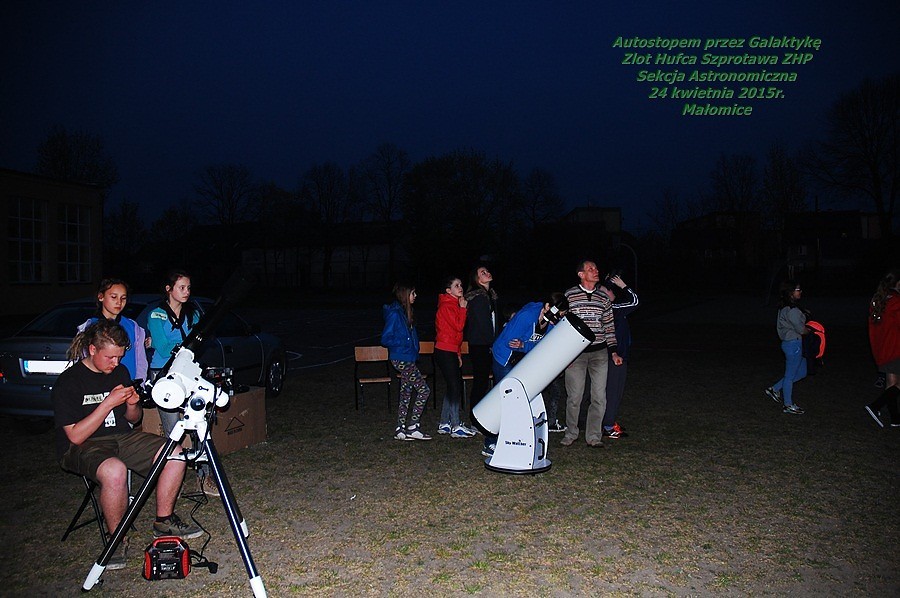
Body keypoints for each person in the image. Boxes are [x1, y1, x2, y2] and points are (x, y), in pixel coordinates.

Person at [53, 320, 202, 570]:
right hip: (83, 445)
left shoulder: (120, 372)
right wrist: (107, 404)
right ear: (92, 349)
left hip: (122, 437)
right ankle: (116, 539)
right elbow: (75, 436)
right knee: (115, 470)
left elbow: (133, 419)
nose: (115, 363)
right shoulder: (69, 382)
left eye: (120, 357)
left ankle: (163, 521)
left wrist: (132, 404)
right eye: (110, 357)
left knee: (174, 453)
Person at [142, 270, 214, 494]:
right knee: (173, 429)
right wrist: (184, 345)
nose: (186, 292)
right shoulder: (157, 314)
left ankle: (204, 476)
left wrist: (184, 346)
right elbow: (163, 347)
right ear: (168, 289)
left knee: (199, 423)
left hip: (187, 371)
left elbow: (200, 341)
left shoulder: (193, 314)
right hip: (164, 373)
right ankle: (174, 477)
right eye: (181, 287)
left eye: (189, 288)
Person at [484, 296, 567, 456]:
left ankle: (511, 438)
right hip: (504, 358)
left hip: (520, 360)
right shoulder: (527, 315)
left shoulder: (550, 323)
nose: (558, 319)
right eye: (558, 314)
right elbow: (510, 342)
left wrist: (525, 345)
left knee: (518, 401)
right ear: (547, 307)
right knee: (504, 400)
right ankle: (490, 441)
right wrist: (526, 346)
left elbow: (544, 345)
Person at [561, 260, 622, 448]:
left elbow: (609, 326)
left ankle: (594, 437)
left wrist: (613, 351)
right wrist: (565, 356)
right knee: (575, 396)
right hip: (576, 354)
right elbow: (562, 327)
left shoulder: (603, 298)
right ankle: (571, 433)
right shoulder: (570, 295)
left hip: (599, 353)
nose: (596, 271)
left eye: (596, 268)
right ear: (581, 274)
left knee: (599, 397)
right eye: (591, 269)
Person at [382, 282, 432, 440]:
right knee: (424, 390)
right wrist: (404, 342)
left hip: (409, 358)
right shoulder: (395, 314)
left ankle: (400, 428)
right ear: (405, 295)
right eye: (412, 293)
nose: (415, 296)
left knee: (406, 392)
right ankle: (413, 426)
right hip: (401, 358)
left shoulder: (407, 313)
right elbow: (386, 338)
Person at [77, 278, 150, 382]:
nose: (119, 302)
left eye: (123, 298)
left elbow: (141, 361)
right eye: (114, 297)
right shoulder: (89, 327)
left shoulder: (133, 326)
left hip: (128, 384)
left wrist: (139, 384)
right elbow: (84, 361)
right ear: (101, 297)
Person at [434, 276, 476, 438]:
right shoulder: (447, 306)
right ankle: (455, 425)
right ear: (448, 290)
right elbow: (458, 326)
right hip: (444, 350)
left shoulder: (453, 304)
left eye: (461, 285)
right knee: (455, 386)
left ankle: (444, 423)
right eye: (456, 285)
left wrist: (458, 353)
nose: (460, 288)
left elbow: (455, 335)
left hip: (450, 350)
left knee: (453, 386)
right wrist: (463, 308)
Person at [599, 273, 639, 439]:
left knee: (611, 391)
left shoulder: (612, 309)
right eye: (607, 290)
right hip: (615, 357)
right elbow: (635, 301)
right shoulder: (613, 309)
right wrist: (623, 285)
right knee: (613, 392)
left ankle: (606, 423)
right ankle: (608, 426)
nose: (611, 291)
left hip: (614, 356)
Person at [765, 281, 809, 415]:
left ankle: (775, 389)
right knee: (790, 376)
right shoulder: (791, 310)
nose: (800, 292)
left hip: (792, 343)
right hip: (793, 344)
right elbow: (801, 329)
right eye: (798, 290)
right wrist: (811, 330)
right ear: (790, 292)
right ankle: (788, 404)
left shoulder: (786, 308)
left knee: (802, 372)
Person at [865, 270, 900, 427]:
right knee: (896, 385)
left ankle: (895, 418)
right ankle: (876, 405)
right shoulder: (896, 301)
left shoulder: (879, 299)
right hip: (895, 346)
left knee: (891, 384)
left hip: (883, 347)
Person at [464, 264, 499, 418]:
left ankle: (482, 414)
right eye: (482, 272)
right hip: (480, 345)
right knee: (481, 381)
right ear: (477, 279)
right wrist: (492, 343)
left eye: (487, 270)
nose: (487, 273)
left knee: (484, 381)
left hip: (486, 343)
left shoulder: (490, 296)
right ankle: (475, 416)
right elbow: (483, 323)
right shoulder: (478, 298)